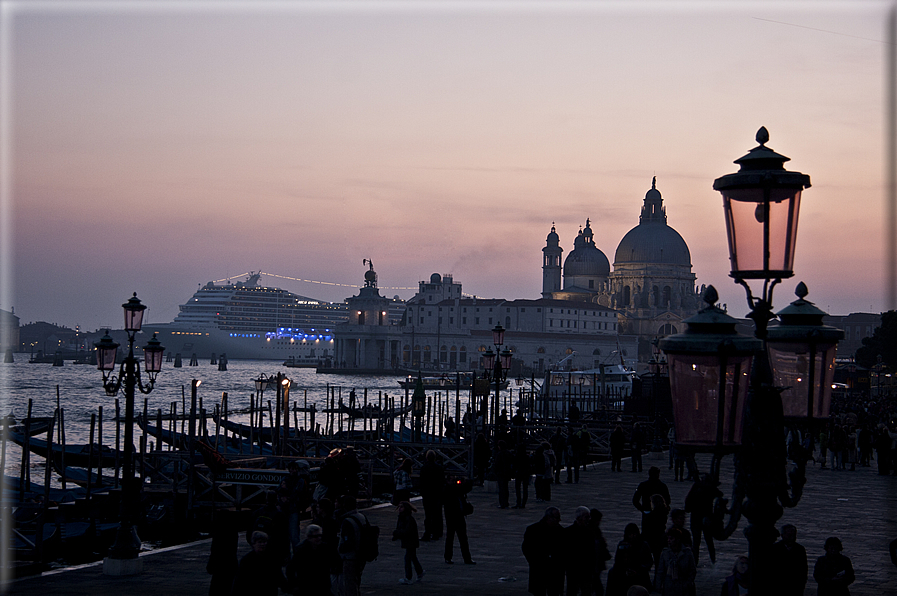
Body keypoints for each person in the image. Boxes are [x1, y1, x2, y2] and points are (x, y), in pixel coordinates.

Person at [522, 506, 564, 596]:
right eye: (557, 518)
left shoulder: (560, 531)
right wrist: (535, 561)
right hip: (539, 570)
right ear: (549, 518)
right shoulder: (534, 530)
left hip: (554, 571)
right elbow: (527, 549)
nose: (559, 520)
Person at [286, 524, 335, 596]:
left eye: (320, 535)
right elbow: (290, 569)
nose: (319, 538)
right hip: (306, 586)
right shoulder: (301, 551)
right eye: (316, 536)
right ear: (309, 537)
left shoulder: (324, 548)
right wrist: (294, 585)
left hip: (322, 585)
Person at [231, 531, 286, 596]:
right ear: (254, 544)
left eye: (264, 542)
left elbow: (279, 576)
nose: (262, 544)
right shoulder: (247, 561)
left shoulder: (271, 558)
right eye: (260, 542)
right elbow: (239, 581)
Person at [684, 473, 722, 565]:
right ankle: (713, 560)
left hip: (696, 518)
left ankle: (695, 562)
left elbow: (688, 501)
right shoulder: (710, 488)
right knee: (708, 541)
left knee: (696, 542)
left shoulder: (696, 487)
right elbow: (719, 494)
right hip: (706, 518)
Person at [606, 523, 653, 596]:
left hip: (639, 574)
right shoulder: (622, 545)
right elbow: (618, 561)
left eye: (634, 534)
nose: (632, 536)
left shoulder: (643, 545)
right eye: (630, 534)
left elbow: (649, 562)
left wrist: (639, 570)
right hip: (623, 575)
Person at [336, 494, 368, 596]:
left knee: (350, 585)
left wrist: (340, 549)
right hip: (361, 555)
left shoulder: (347, 521)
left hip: (350, 557)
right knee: (356, 582)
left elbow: (348, 542)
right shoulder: (362, 517)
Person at [654, 528, 696, 596]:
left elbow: (692, 570)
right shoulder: (665, 553)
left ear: (678, 540)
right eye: (668, 538)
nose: (669, 541)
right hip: (669, 586)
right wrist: (658, 585)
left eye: (671, 539)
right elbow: (660, 571)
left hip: (683, 587)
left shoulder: (687, 553)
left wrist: (688, 583)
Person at [565, 506, 596, 595]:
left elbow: (592, 552)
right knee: (572, 591)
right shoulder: (568, 532)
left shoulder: (589, 532)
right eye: (586, 517)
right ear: (579, 518)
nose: (588, 519)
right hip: (573, 569)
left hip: (586, 570)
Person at [444, 476, 475, 565]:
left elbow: (467, 488)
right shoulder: (447, 490)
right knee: (451, 538)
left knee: (463, 538)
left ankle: (467, 558)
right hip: (451, 516)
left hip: (459, 516)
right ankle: (448, 557)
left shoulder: (459, 490)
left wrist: (465, 481)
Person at [206, 511, 238, 596]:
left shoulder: (218, 532)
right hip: (229, 563)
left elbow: (214, 549)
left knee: (216, 587)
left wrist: (211, 563)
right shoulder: (233, 531)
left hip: (219, 564)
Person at [771, 523, 808, 596]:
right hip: (778, 585)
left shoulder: (800, 549)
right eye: (789, 535)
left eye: (793, 535)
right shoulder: (774, 549)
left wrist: (802, 584)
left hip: (795, 585)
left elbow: (803, 569)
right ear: (782, 535)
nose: (792, 537)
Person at [392, 501, 425, 585]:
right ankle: (419, 572)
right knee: (413, 557)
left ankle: (409, 577)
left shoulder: (407, 518)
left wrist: (397, 534)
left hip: (410, 540)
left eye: (401, 507)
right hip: (410, 540)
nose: (399, 509)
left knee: (408, 558)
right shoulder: (404, 517)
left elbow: (406, 530)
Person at [418, 450, 445, 541]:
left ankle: (428, 533)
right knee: (437, 514)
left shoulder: (424, 468)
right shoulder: (439, 468)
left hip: (427, 494)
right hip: (437, 493)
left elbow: (421, 482)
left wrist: (422, 492)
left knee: (428, 514)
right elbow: (442, 481)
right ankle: (437, 533)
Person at [642, 493, 670, 567]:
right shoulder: (664, 513)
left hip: (653, 538)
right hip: (661, 537)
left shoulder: (652, 515)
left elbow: (647, 528)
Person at [493, 440, 514, 509]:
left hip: (501, 473)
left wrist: (495, 471)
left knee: (501, 489)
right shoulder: (509, 453)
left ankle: (502, 503)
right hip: (507, 473)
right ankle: (506, 502)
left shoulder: (499, 454)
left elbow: (496, 464)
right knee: (505, 488)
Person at [513, 442, 532, 509]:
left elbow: (514, 465)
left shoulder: (516, 456)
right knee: (525, 489)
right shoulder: (527, 457)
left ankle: (518, 502)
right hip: (525, 474)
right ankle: (523, 503)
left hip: (519, 473)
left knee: (518, 488)